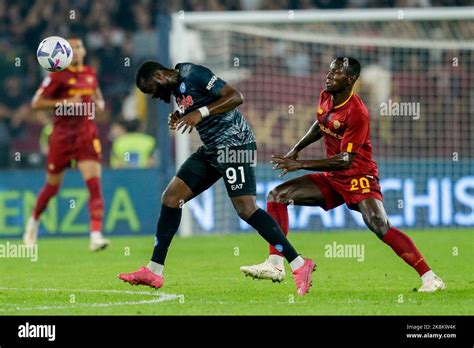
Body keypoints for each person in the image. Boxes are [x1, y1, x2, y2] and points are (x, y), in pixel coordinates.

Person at [240, 57, 445, 292]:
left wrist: (301, 164)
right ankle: (275, 264)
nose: (329, 76)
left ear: (350, 79)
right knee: (277, 195)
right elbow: (321, 124)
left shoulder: (358, 113)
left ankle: (430, 278)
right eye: (330, 71)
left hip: (358, 176)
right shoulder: (326, 96)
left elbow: (345, 161)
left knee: (379, 225)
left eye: (336, 73)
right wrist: (297, 148)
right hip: (333, 178)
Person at [118, 61, 315, 295]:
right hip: (212, 150)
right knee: (171, 198)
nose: (154, 96)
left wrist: (198, 114)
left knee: (246, 209)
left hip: (235, 145)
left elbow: (235, 97)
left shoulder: (193, 73)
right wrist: (181, 115)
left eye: (152, 89)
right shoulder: (176, 89)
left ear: (160, 75)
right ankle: (154, 271)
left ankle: (299, 264)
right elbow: (198, 103)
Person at [23, 38, 110, 252]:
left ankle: (96, 236)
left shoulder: (90, 73)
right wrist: (64, 103)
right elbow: (36, 103)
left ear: (84, 50)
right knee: (52, 188)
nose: (78, 51)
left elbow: (98, 95)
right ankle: (33, 223)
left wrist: (99, 103)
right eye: (73, 48)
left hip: (86, 136)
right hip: (62, 136)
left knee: (94, 185)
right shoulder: (57, 76)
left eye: (80, 47)